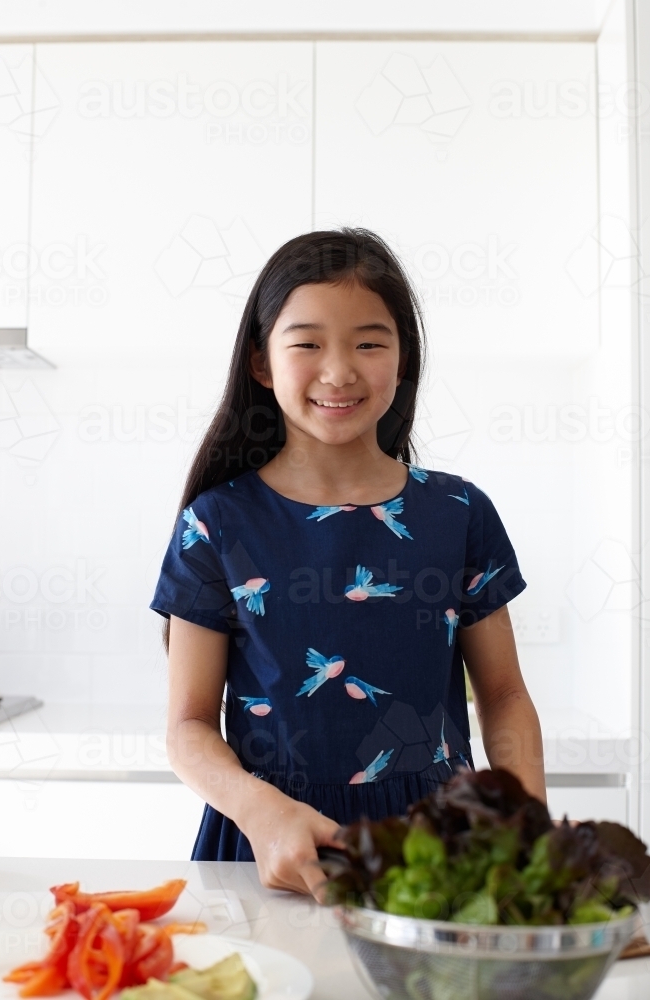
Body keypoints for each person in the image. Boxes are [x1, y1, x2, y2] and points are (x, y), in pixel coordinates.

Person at [150, 228, 546, 899]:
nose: (339, 371)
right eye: (306, 343)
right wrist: (260, 811)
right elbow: (189, 726)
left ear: (402, 359)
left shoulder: (459, 513)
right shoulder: (216, 524)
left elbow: (503, 697)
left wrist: (530, 831)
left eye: (369, 342)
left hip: (440, 847)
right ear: (261, 363)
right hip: (265, 847)